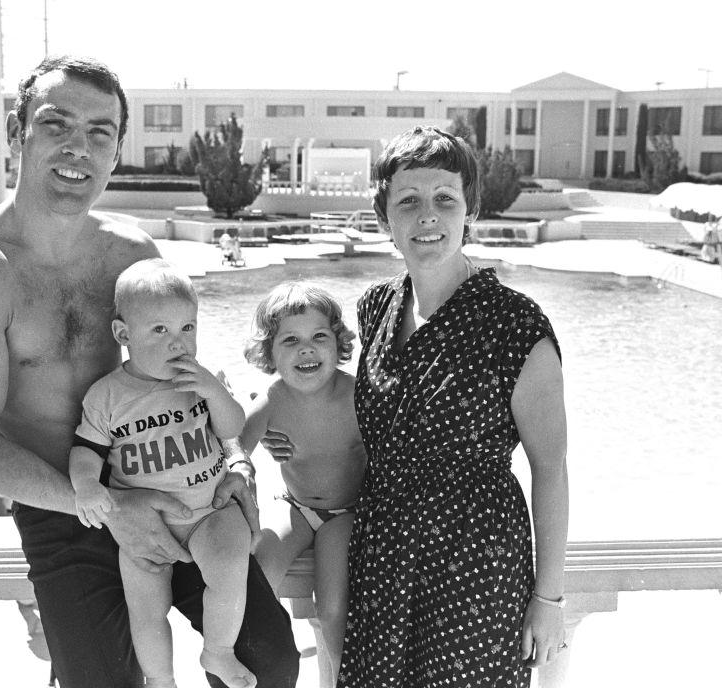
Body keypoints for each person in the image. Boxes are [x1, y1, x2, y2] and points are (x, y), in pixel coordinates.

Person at [0, 55, 298, 688]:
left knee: (267, 660)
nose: (79, 148)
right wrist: (101, 506)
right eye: (57, 124)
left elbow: (183, 381)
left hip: (176, 485)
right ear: (18, 130)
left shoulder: (133, 254)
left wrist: (234, 461)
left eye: (101, 132)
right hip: (60, 508)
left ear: (118, 149)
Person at [336, 126, 569, 687]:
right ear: (383, 217)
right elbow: (370, 425)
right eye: (408, 201)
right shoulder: (375, 309)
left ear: (470, 211)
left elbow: (550, 468)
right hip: (384, 557)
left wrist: (549, 597)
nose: (428, 217)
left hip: (476, 566)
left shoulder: (516, 326)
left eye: (445, 199)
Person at [70, 258, 254, 688]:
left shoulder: (201, 380)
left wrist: (212, 390)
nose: (179, 343)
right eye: (161, 331)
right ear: (123, 335)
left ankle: (218, 652)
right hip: (143, 525)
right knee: (146, 611)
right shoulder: (107, 395)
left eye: (188, 328)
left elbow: (232, 429)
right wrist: (84, 485)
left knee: (231, 566)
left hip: (209, 512)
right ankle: (161, 679)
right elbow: (86, 451)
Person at [239, 282, 366, 688]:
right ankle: (271, 673)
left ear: (338, 343)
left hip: (345, 514)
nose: (306, 349)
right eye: (290, 340)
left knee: (332, 612)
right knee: (252, 583)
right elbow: (235, 451)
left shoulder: (357, 395)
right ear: (269, 352)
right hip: (294, 506)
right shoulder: (271, 400)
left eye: (318, 337)